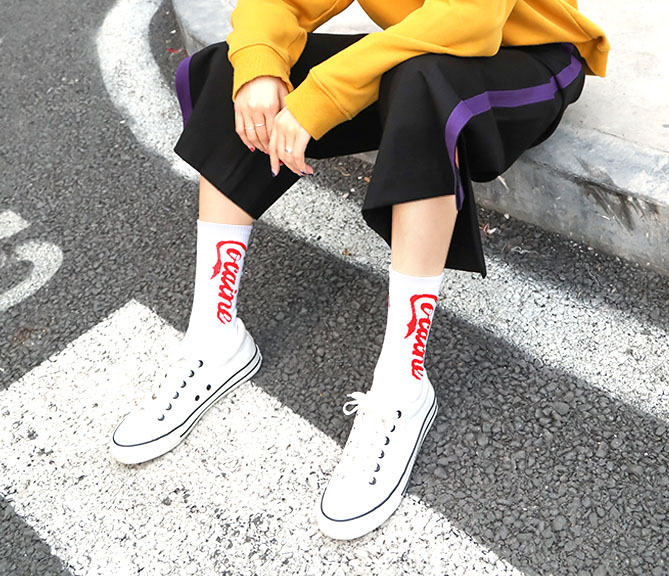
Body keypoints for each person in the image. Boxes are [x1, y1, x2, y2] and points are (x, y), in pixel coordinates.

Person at [110, 0, 608, 540]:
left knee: (422, 85)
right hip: (421, 56)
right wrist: (259, 68)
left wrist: (321, 97)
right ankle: (215, 336)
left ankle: (402, 386)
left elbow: (469, 21)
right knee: (234, 67)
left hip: (530, 62)